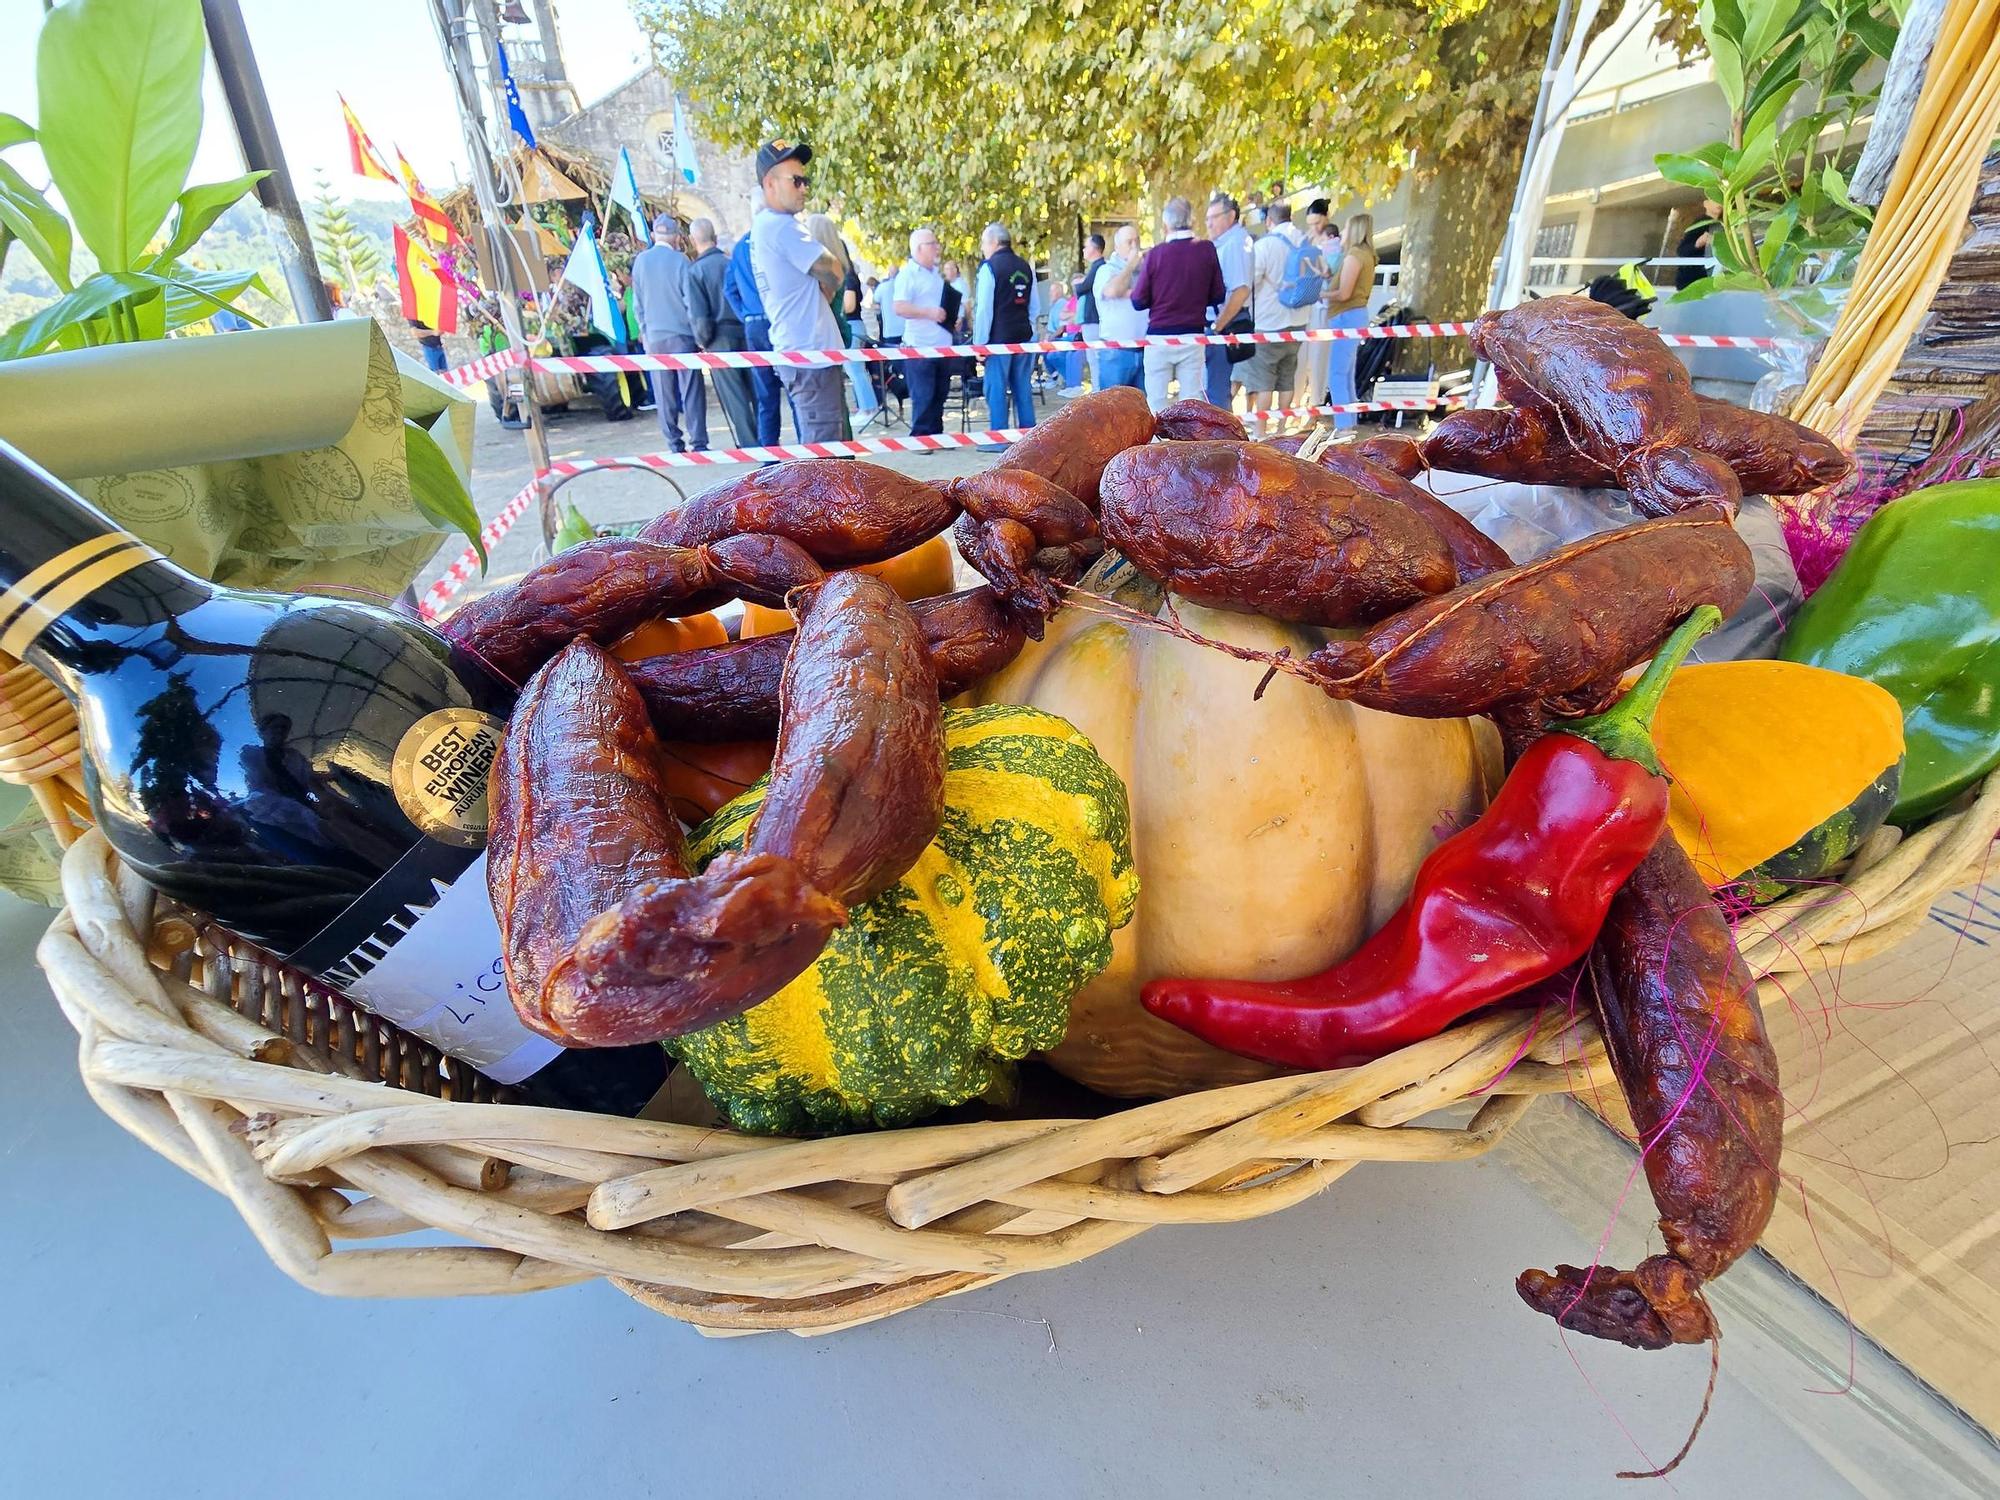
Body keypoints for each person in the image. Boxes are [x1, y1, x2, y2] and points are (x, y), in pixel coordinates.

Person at [749, 139, 849, 443]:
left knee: (829, 461)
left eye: (804, 180)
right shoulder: (781, 226)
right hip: (811, 359)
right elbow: (835, 270)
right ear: (770, 183)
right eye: (796, 180)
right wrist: (828, 287)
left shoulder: (769, 225)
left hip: (806, 356)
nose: (804, 187)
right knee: (826, 467)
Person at [1129, 196, 1223, 411]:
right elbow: (1218, 295)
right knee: (1192, 405)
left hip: (1159, 337)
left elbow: (1138, 300)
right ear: (1192, 220)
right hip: (1193, 335)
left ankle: (1155, 444)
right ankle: (1192, 445)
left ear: (1165, 224)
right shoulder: (1206, 249)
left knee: (1156, 404)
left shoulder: (1155, 254)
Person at [631, 213, 706, 451]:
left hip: (655, 338)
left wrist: (645, 332)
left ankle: (674, 442)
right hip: (682, 336)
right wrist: (698, 335)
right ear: (676, 237)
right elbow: (691, 303)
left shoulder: (641, 262)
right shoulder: (681, 261)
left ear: (654, 235)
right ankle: (699, 441)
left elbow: (638, 304)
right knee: (691, 390)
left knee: (664, 393)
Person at [1241, 200, 1315, 436]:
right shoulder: (1305, 240)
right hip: (1299, 320)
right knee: (1287, 377)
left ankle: (1261, 431)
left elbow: (1251, 282)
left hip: (1269, 322)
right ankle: (1282, 429)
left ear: (1269, 221)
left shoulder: (1265, 245)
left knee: (1264, 379)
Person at [686, 217, 758, 450]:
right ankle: (767, 441)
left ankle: (750, 445)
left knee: (734, 397)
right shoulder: (731, 262)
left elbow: (700, 315)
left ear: (693, 240)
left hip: (718, 339)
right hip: (744, 332)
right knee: (755, 390)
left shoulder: (696, 271)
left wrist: (702, 341)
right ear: (714, 237)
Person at [972, 222, 1041, 434]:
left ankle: (998, 438)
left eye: (984, 243)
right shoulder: (1025, 266)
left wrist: (979, 344)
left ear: (993, 242)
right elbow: (1035, 307)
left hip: (998, 340)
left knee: (996, 390)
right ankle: (1029, 439)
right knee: (1023, 389)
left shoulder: (989, 267)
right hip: (1024, 338)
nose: (983, 248)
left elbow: (984, 309)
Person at [890, 226, 952, 437]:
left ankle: (936, 434)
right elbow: (899, 307)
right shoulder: (907, 275)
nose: (937, 248)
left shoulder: (936, 274)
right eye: (932, 244)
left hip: (942, 345)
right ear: (918, 248)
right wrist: (928, 313)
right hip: (920, 346)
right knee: (923, 394)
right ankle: (920, 437)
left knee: (940, 393)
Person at [727, 229, 785, 444]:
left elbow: (729, 289)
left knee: (765, 394)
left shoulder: (740, 247)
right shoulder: (775, 236)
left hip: (755, 324)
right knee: (796, 391)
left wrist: (747, 315)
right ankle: (805, 456)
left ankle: (769, 455)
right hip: (779, 320)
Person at [1322, 212, 1379, 429]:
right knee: (1346, 374)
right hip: (1355, 315)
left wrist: (1322, 295)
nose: (1342, 233)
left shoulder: (1355, 255)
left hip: (1347, 316)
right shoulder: (1367, 255)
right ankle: (1349, 423)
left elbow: (1344, 293)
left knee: (1337, 374)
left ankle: (1343, 426)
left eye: (1346, 228)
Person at [1203, 193, 1252, 407]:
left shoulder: (1235, 243)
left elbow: (1240, 291)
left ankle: (1221, 440)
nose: (1209, 223)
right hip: (1224, 324)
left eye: (1214, 217)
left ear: (1231, 215)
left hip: (1225, 326)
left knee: (1217, 396)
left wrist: (1217, 327)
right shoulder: (1231, 242)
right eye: (1207, 218)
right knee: (1216, 392)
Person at [1093, 224, 1148, 391]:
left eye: (1137, 241)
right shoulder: (1106, 270)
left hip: (1143, 348)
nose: (1134, 246)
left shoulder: (1144, 271)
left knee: (1143, 411)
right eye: (1129, 242)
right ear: (1117, 247)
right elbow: (1113, 290)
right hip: (1115, 352)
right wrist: (1130, 266)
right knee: (1112, 410)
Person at [1296, 200, 1337, 406]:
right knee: (1301, 357)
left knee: (1319, 357)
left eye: (1317, 222)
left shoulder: (1333, 242)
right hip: (1305, 305)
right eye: (1310, 223)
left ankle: (1316, 402)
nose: (1314, 228)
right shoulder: (1305, 241)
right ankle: (1298, 402)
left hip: (1323, 306)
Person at [1073, 232, 1107, 389]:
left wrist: (1079, 284)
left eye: (1086, 247)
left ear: (1095, 248)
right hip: (1092, 319)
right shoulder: (1096, 268)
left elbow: (1084, 287)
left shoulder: (1098, 267)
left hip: (1094, 319)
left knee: (1095, 359)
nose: (1083, 250)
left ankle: (1097, 391)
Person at [1675, 197, 1722, 289]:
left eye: (1721, 200)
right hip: (1692, 280)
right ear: (1706, 204)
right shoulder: (1700, 224)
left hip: (1709, 280)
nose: (1718, 203)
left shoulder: (1722, 225)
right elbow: (1682, 251)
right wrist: (1698, 243)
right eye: (1714, 199)